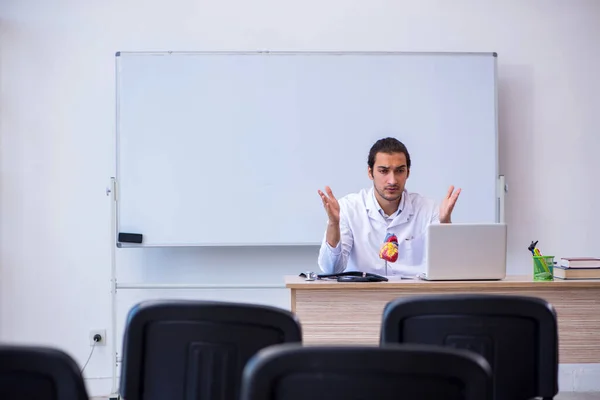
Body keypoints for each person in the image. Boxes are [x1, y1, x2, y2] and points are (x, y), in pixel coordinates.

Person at [317, 137, 461, 277]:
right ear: (370, 172)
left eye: (399, 171)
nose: (392, 180)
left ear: (408, 173)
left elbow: (446, 268)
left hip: (413, 297)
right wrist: (333, 224)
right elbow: (331, 270)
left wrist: (445, 224)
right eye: (383, 171)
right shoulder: (348, 208)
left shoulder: (428, 210)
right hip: (362, 297)